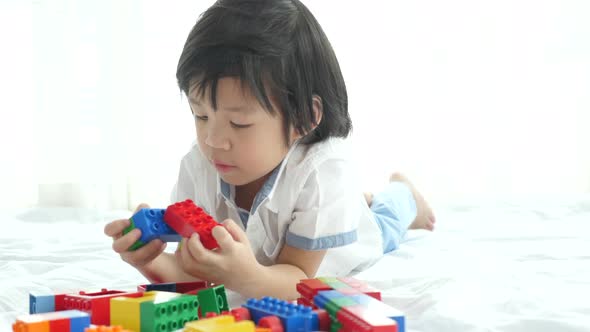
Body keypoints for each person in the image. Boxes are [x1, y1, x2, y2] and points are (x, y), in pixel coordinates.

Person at [104, 0, 435, 300]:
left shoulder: (324, 172)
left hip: (344, 242)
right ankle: (358, 199)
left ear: (303, 117)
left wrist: (245, 276)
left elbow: (299, 278)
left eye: (240, 123)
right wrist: (151, 261)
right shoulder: (197, 164)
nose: (213, 140)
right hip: (309, 214)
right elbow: (194, 275)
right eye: (201, 115)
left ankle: (404, 192)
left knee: (385, 224)